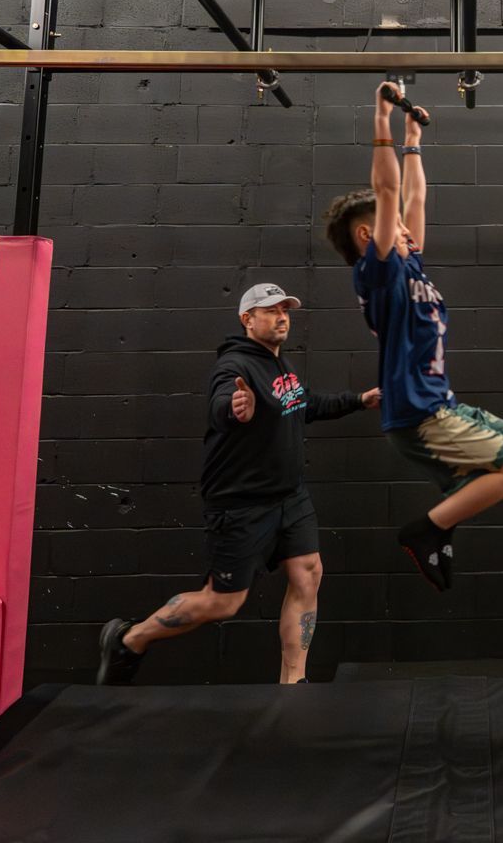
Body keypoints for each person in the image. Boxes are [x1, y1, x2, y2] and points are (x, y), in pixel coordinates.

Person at [96, 283, 378, 685]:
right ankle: (129, 639)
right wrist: (234, 408)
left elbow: (305, 404)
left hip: (289, 496)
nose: (282, 317)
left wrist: (357, 400)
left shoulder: (280, 366)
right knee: (223, 602)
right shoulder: (234, 367)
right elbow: (221, 404)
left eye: (285, 310)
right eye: (270, 310)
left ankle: (293, 684)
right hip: (241, 503)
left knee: (308, 572)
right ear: (247, 319)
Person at [321, 81, 503, 591]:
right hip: (419, 412)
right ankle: (426, 530)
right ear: (366, 236)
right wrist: (380, 119)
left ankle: (449, 509)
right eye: (391, 225)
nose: (407, 228)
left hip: (440, 402)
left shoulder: (409, 260)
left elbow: (412, 196)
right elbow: (391, 193)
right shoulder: (378, 274)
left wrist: (413, 138)